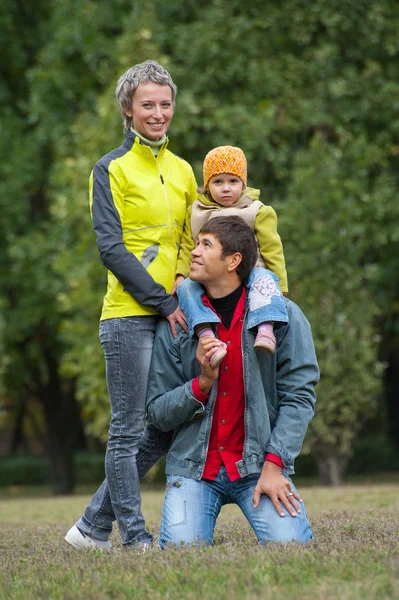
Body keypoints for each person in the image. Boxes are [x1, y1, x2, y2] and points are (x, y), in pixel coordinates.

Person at [65, 60, 197, 550]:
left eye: (165, 104)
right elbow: (111, 247)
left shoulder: (184, 169)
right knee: (127, 429)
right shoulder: (109, 169)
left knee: (163, 424)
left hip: (177, 309)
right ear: (128, 109)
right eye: (148, 105)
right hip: (128, 315)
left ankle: (92, 526)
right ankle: (133, 536)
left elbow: (190, 235)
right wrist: (163, 301)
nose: (158, 113)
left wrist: (181, 283)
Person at [147, 216, 319, 547]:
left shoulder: (282, 316)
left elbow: (299, 398)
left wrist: (274, 466)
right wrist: (202, 384)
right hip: (194, 469)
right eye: (196, 244)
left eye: (205, 245)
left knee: (291, 548)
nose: (194, 253)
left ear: (233, 261)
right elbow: (157, 413)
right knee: (181, 552)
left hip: (259, 466)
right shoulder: (177, 323)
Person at [175, 145, 289, 368]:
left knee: (262, 282)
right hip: (212, 274)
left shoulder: (256, 210)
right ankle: (205, 333)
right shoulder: (196, 211)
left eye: (233, 182)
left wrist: (280, 285)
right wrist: (181, 274)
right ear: (207, 185)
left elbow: (272, 249)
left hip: (251, 268)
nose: (226, 189)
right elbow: (187, 244)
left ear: (243, 183)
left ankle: (266, 329)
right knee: (186, 289)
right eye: (218, 182)